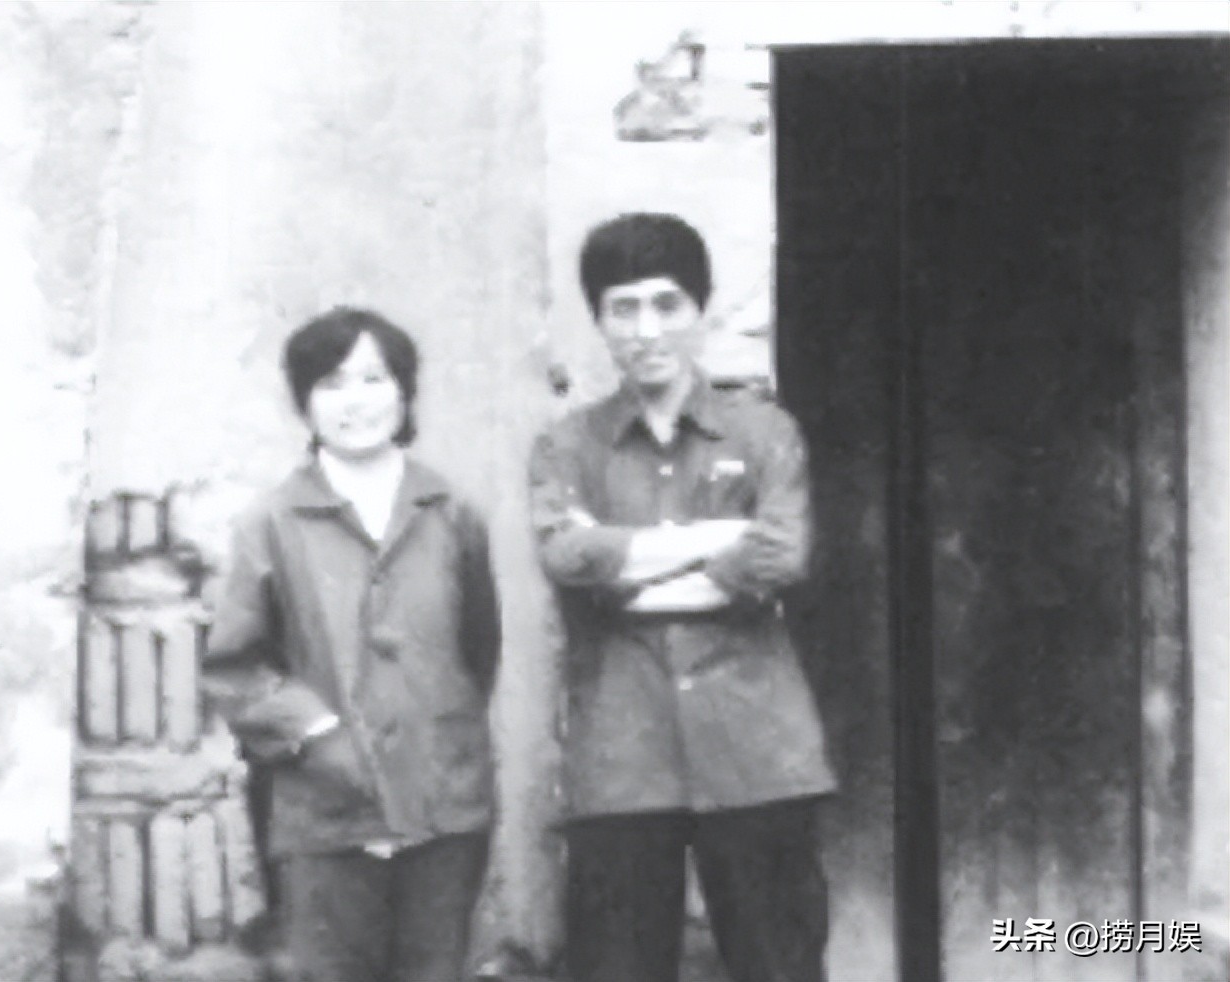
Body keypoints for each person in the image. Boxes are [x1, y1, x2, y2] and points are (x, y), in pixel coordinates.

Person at [529, 214, 837, 982]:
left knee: (780, 966)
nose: (647, 330)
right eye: (623, 308)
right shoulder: (567, 446)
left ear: (701, 309)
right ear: (599, 319)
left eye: (667, 304)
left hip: (758, 750)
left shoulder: (764, 433)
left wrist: (623, 567)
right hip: (621, 756)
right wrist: (717, 542)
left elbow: (781, 555)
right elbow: (565, 557)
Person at [202, 307, 500, 982]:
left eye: (374, 378)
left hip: (443, 804)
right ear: (304, 403)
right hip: (324, 811)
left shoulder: (452, 513)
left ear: (405, 391)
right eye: (332, 383)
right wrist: (316, 733)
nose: (356, 401)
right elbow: (235, 668)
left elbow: (479, 649)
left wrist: (435, 734)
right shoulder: (271, 522)